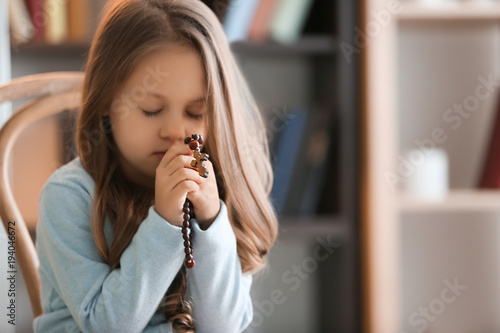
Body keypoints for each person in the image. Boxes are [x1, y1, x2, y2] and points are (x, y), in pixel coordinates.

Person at [33, 0, 278, 332]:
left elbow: (223, 326)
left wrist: (210, 221)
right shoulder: (69, 196)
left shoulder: (221, 187)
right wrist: (165, 222)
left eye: (195, 112)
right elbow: (109, 326)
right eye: (150, 109)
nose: (175, 131)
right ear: (106, 105)